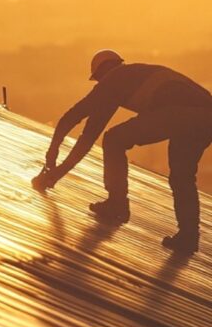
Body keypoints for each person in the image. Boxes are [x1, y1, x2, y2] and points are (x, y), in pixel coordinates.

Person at [34, 50, 212, 255]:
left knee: (114, 140)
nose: (99, 85)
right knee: (182, 177)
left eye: (98, 79)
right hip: (206, 116)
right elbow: (86, 133)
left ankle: (116, 203)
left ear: (103, 72)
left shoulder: (113, 81)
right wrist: (55, 169)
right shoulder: (133, 75)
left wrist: (53, 157)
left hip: (178, 113)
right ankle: (189, 236)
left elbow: (76, 123)